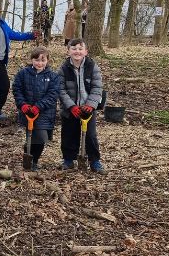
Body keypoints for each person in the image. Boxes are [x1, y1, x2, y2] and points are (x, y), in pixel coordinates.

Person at [58, 38, 105, 173]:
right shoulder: (63, 68)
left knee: (90, 135)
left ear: (85, 51)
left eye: (80, 49)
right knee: (68, 134)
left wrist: (91, 105)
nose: (77, 51)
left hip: (88, 109)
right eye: (74, 49)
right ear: (68, 51)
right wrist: (71, 106)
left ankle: (94, 161)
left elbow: (97, 88)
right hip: (70, 109)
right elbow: (61, 90)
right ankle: (68, 160)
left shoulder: (92, 66)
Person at [11, 46, 61, 171]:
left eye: (43, 60)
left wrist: (39, 106)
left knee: (41, 138)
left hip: (44, 112)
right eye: (37, 60)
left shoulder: (53, 76)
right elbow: (17, 89)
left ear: (47, 61)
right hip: (27, 111)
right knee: (30, 136)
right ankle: (28, 158)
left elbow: (53, 94)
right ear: (32, 60)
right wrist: (23, 104)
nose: (39, 63)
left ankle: (35, 160)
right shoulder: (23, 73)